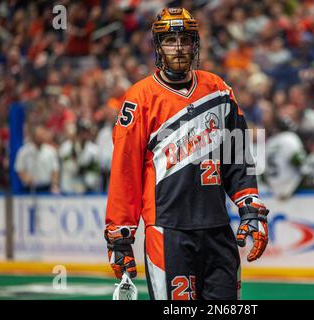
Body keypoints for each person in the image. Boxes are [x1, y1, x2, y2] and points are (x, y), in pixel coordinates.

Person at [104, 8, 269, 300]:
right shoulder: (139, 99)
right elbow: (124, 170)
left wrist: (249, 205)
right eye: (170, 40)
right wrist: (120, 236)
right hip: (168, 232)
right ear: (158, 47)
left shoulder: (218, 89)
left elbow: (237, 155)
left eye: (185, 40)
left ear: (195, 45)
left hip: (218, 229)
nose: (178, 48)